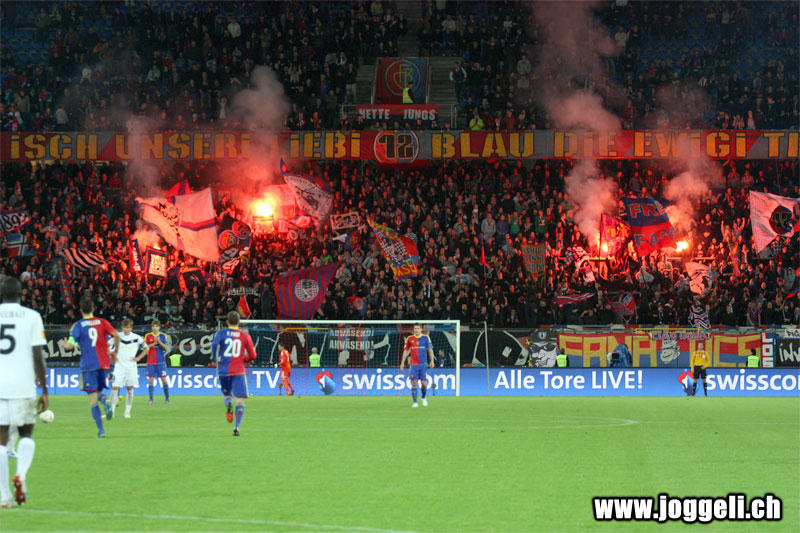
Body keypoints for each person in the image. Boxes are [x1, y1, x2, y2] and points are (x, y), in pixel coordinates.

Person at [0, 277, 48, 507]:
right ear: (21, 294)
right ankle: (20, 474)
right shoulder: (32, 316)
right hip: (23, 385)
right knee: (26, 434)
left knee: (1, 441)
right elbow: (37, 355)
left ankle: (4, 496)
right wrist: (45, 389)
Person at [59, 296, 119, 437]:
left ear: (81, 310)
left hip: (88, 365)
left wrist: (64, 344)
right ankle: (106, 401)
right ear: (93, 309)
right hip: (103, 364)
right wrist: (115, 352)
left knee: (93, 400)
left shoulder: (78, 326)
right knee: (98, 392)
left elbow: (70, 346)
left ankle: (101, 430)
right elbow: (116, 335)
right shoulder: (102, 322)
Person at [211, 311, 256, 436]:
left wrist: (214, 359)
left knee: (227, 395)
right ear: (239, 322)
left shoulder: (221, 333)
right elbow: (253, 356)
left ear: (227, 322)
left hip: (224, 370)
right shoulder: (245, 336)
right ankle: (237, 427)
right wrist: (244, 359)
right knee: (240, 400)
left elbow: (214, 344)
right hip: (238, 371)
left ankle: (229, 403)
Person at [111, 319, 146, 419]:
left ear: (131, 328)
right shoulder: (117, 336)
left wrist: (138, 358)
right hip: (119, 366)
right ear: (122, 327)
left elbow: (146, 348)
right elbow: (109, 347)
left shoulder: (137, 338)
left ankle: (127, 412)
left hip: (131, 367)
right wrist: (113, 356)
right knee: (115, 387)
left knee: (130, 389)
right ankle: (111, 411)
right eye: (125, 328)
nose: (127, 330)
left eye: (129, 328)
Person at [399, 324, 434, 407]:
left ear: (421, 329)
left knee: (424, 383)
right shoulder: (409, 338)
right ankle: (415, 402)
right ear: (413, 329)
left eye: (418, 328)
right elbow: (406, 351)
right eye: (415, 328)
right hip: (414, 364)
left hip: (423, 364)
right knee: (414, 382)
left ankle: (423, 398)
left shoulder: (426, 338)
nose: (416, 330)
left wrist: (432, 361)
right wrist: (402, 362)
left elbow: (430, 349)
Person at [144, 320, 170, 404]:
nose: (155, 328)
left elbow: (166, 348)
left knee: (164, 379)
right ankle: (151, 399)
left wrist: (159, 342)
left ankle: (167, 399)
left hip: (160, 361)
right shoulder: (148, 336)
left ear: (159, 327)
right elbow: (145, 347)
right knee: (151, 379)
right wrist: (154, 343)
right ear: (151, 327)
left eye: (156, 326)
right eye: (153, 326)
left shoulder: (163, 335)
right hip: (150, 361)